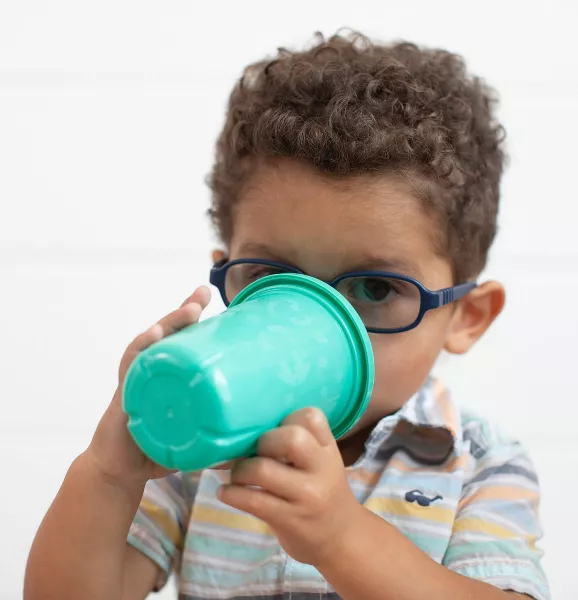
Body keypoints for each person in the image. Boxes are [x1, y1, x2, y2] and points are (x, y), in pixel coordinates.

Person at [24, 31, 549, 600]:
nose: (308, 323)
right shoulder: (202, 447)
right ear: (228, 272)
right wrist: (108, 475)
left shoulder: (477, 463)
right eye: (271, 279)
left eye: (374, 287)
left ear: (467, 316)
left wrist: (341, 538)